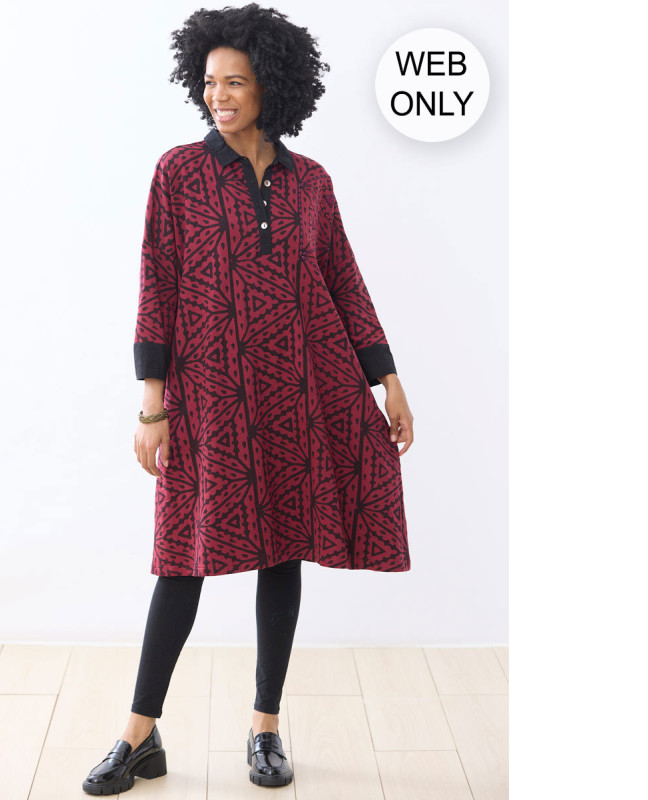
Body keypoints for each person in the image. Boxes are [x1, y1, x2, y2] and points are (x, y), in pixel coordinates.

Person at [83, 3, 415, 795]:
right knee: (182, 559)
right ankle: (139, 734)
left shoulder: (312, 183)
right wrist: (152, 404)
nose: (219, 96)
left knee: (283, 550)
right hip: (208, 399)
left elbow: (342, 281)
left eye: (235, 82)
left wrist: (387, 378)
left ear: (273, 86)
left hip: (299, 389)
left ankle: (265, 728)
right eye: (210, 82)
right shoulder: (179, 172)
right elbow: (157, 285)